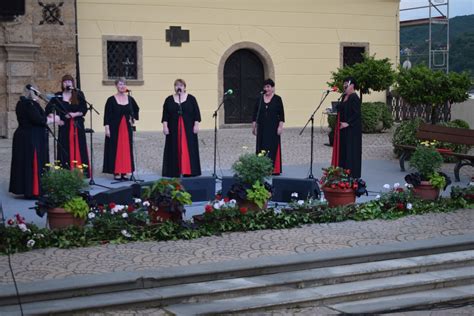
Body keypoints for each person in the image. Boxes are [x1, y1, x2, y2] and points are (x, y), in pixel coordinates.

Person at [9, 87, 62, 199]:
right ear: (32, 94)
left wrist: (48, 116)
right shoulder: (29, 104)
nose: (38, 96)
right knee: (32, 164)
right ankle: (33, 190)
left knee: (27, 163)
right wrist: (53, 119)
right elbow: (39, 120)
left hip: (26, 136)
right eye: (36, 93)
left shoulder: (23, 103)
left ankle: (28, 189)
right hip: (31, 137)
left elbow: (40, 117)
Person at [46, 74, 90, 177]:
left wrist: (75, 114)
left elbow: (84, 109)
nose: (67, 83)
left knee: (79, 147)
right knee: (65, 148)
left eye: (69, 82)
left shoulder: (78, 94)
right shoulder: (58, 96)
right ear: (62, 84)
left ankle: (80, 172)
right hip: (65, 126)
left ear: (73, 83)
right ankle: (66, 172)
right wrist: (57, 120)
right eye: (65, 82)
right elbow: (48, 109)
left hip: (77, 125)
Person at [162, 79, 202, 177]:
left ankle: (188, 170)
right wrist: (165, 126)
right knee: (174, 147)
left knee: (188, 148)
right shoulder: (169, 99)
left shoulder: (191, 98)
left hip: (188, 128)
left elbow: (196, 113)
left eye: (181, 85)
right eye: (176, 85)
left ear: (184, 87)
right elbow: (165, 115)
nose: (178, 87)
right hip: (173, 128)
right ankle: (174, 171)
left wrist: (196, 125)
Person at [103, 77, 140, 180]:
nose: (122, 86)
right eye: (120, 84)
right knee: (115, 148)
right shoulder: (111, 100)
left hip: (126, 128)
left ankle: (125, 170)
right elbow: (106, 115)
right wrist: (107, 128)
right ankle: (116, 171)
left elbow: (136, 110)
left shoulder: (130, 99)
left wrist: (133, 118)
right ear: (116, 86)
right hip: (114, 127)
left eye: (124, 84)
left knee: (126, 149)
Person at [331, 76, 362, 178]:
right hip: (343, 128)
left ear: (352, 85)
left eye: (346, 84)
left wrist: (348, 123)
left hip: (352, 129)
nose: (344, 86)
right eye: (344, 84)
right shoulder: (344, 96)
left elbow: (357, 114)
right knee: (344, 150)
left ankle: (351, 173)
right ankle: (343, 171)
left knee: (351, 151)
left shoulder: (354, 97)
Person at [252, 79, 285, 175]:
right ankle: (260, 167)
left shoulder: (278, 99)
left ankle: (272, 168)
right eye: (265, 87)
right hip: (261, 126)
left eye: (268, 87)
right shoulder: (259, 99)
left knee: (271, 146)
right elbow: (255, 113)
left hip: (273, 127)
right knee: (261, 146)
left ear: (272, 88)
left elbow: (281, 114)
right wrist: (254, 125)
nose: (267, 89)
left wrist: (280, 126)